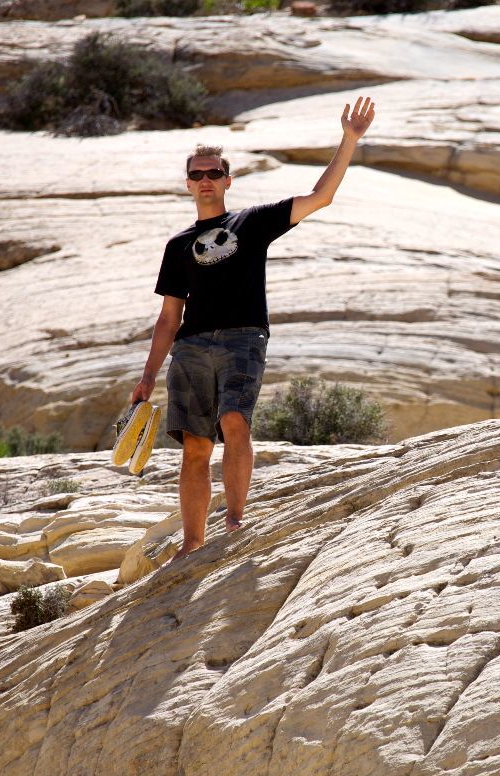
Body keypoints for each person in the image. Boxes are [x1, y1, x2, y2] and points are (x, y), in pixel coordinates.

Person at [130, 96, 376, 558]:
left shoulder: (253, 222)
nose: (206, 181)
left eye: (213, 173)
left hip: (243, 337)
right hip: (191, 348)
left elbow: (320, 197)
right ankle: (193, 542)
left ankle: (236, 520)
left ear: (228, 179)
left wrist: (348, 140)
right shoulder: (178, 245)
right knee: (197, 446)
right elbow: (168, 317)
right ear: (188, 184)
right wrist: (146, 377)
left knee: (235, 421)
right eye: (197, 175)